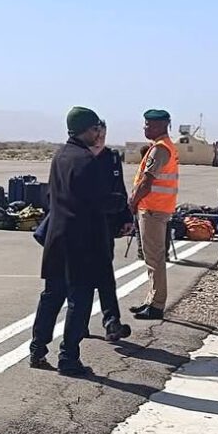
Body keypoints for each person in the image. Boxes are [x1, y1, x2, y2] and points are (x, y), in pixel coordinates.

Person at [29, 108, 129, 377]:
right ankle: (68, 357)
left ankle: (37, 349)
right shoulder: (86, 160)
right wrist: (121, 204)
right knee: (79, 299)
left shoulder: (60, 155)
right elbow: (97, 201)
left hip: (57, 238)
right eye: (95, 129)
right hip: (82, 241)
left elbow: (51, 196)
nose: (98, 133)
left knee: (51, 296)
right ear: (86, 130)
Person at [129, 109, 179, 321]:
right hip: (157, 208)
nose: (145, 128)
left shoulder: (160, 149)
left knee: (154, 258)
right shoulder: (163, 147)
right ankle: (151, 299)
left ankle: (156, 304)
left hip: (153, 209)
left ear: (161, 125)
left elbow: (147, 182)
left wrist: (133, 201)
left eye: (148, 124)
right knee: (152, 257)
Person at [89, 121, 134, 342]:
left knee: (106, 275)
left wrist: (126, 217)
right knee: (82, 279)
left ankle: (111, 322)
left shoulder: (112, 158)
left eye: (103, 135)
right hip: (81, 227)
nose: (100, 140)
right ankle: (78, 323)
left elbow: (119, 188)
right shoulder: (77, 158)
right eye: (96, 134)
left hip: (105, 225)